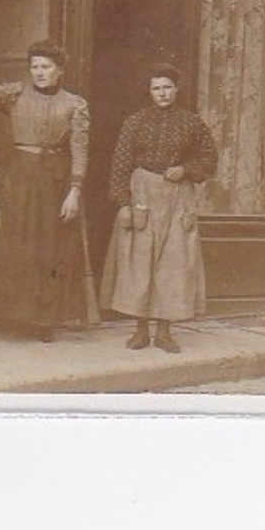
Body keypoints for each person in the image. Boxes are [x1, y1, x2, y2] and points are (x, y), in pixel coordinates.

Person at [0, 31, 90, 340]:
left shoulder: (75, 104)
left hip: (54, 182)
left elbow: (80, 150)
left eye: (46, 67)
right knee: (15, 245)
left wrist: (74, 191)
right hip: (18, 179)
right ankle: (12, 315)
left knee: (48, 250)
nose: (40, 73)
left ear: (59, 70)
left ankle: (43, 320)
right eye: (35, 67)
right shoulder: (15, 94)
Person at [100, 65, 219, 353]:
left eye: (167, 87)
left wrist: (186, 169)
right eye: (156, 88)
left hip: (178, 198)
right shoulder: (135, 122)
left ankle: (164, 332)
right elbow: (120, 164)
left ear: (176, 89)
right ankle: (140, 330)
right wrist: (123, 203)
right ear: (149, 92)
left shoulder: (192, 123)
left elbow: (209, 159)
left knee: (173, 264)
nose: (162, 93)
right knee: (139, 263)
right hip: (142, 194)